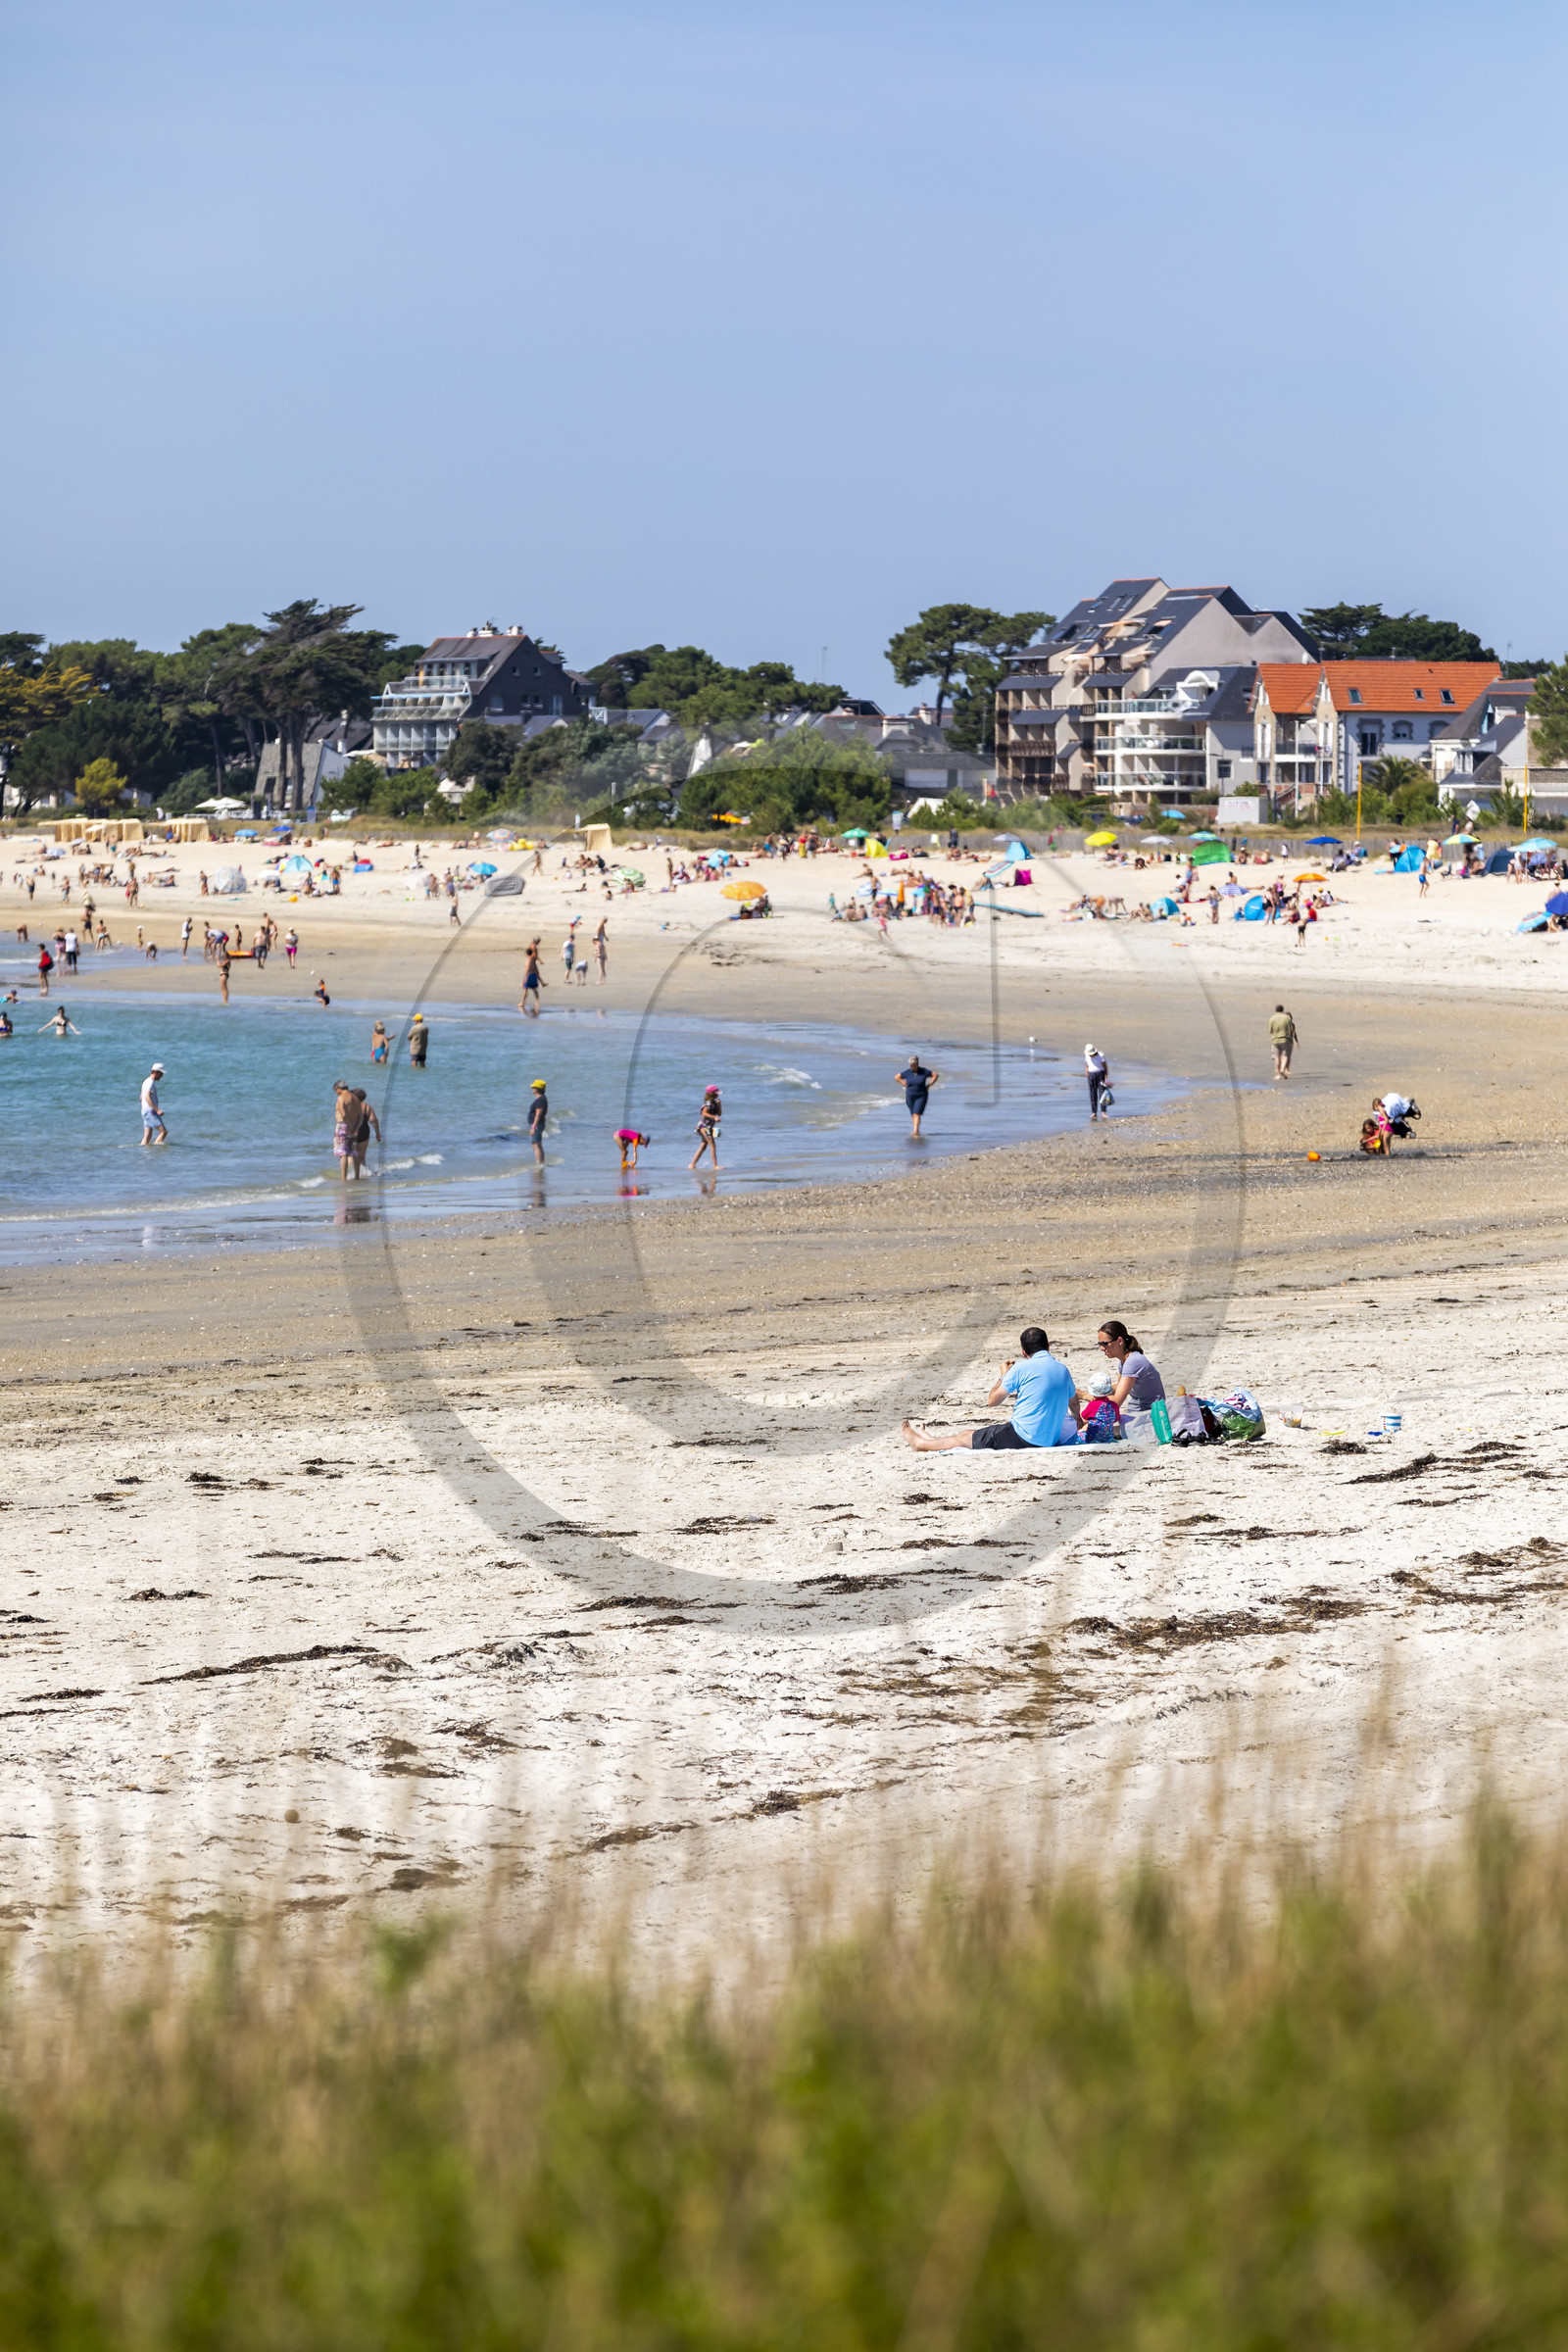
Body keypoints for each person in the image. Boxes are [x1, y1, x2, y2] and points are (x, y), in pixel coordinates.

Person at [902, 1326, 1082, 1452]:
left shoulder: (1020, 1368)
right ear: (1048, 1346)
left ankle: (919, 1444)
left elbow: (993, 1401)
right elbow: (1073, 1403)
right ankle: (930, 1441)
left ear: (1023, 1352)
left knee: (966, 1437)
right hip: (1049, 1439)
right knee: (968, 1437)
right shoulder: (1062, 1369)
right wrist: (1077, 1419)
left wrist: (1004, 1375)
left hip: (1024, 1437)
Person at [1095, 1320, 1165, 1433]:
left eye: (1105, 1343)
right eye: (1100, 1344)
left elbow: (1116, 1401)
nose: (1102, 1348)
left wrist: (1085, 1396)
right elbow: (1119, 1387)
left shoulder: (1133, 1362)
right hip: (1137, 1414)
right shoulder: (1124, 1360)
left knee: (1090, 1426)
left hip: (1148, 1418)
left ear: (1120, 1341)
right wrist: (1099, 1390)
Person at [896, 1053, 939, 1137]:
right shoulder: (908, 1072)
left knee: (916, 1113)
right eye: (911, 1065)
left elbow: (935, 1075)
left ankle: (916, 1131)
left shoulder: (924, 1071)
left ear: (917, 1064)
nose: (912, 1067)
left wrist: (929, 1085)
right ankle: (915, 1129)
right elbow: (897, 1077)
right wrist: (904, 1083)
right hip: (910, 1096)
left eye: (914, 1065)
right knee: (913, 1114)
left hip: (921, 1095)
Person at [690, 1085, 722, 1170]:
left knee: (703, 1145)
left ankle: (692, 1164)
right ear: (712, 1094)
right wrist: (714, 1117)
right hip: (704, 1127)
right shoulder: (707, 1104)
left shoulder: (715, 1103)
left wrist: (719, 1105)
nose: (718, 1095)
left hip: (709, 1127)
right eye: (716, 1093)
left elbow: (719, 1114)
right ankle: (715, 1165)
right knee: (712, 1144)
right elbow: (703, 1113)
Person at [350, 1088, 381, 1177]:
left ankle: (353, 1175)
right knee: (362, 1156)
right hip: (364, 1133)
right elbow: (374, 1121)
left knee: (352, 1155)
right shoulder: (367, 1107)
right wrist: (378, 1134)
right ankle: (364, 1174)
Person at [332, 1081, 358, 1182]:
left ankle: (344, 1178)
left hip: (343, 1125)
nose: (336, 1093)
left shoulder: (341, 1098)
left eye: (336, 1091)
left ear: (339, 1088)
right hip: (352, 1124)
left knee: (342, 1153)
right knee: (350, 1152)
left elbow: (343, 1114)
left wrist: (347, 1126)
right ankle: (355, 1174)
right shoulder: (354, 1098)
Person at [139, 1062, 167, 1146]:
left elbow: (141, 1097)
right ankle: (157, 1151)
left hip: (145, 1111)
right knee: (163, 1132)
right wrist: (156, 1109)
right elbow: (147, 1097)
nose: (161, 1076)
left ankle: (145, 1153)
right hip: (150, 1112)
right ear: (155, 1072)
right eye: (161, 1074)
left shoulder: (145, 1081)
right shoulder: (150, 1082)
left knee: (147, 1136)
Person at [1269, 1003, 1298, 1080]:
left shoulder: (1272, 1018)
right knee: (1285, 1056)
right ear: (1282, 1010)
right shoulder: (1287, 1018)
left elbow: (1270, 1030)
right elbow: (1291, 1030)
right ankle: (1282, 1069)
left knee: (1277, 1057)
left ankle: (1278, 1073)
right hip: (1286, 1040)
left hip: (1275, 1040)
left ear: (1276, 1010)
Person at [1085, 1042, 1110, 1120]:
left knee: (1102, 1093)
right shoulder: (1087, 1055)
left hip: (1100, 1074)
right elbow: (1087, 1065)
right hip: (1091, 1075)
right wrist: (1087, 1073)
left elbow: (1105, 1066)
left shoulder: (1101, 1055)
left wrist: (1106, 1076)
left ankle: (1103, 1112)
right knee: (1093, 1093)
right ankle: (1094, 1112)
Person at [527, 1077, 549, 1165]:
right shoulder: (542, 1098)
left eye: (533, 1087)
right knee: (538, 1144)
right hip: (539, 1124)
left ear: (536, 1089)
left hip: (536, 1125)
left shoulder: (540, 1100)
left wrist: (533, 1127)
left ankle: (538, 1163)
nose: (532, 1089)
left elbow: (538, 1114)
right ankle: (541, 1163)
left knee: (535, 1145)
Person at [520, 939, 544, 1015]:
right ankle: (536, 1002)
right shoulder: (532, 959)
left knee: (526, 990)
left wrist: (524, 978)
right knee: (533, 989)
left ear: (527, 954)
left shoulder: (529, 960)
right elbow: (535, 968)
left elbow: (527, 970)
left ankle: (523, 1002)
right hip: (533, 975)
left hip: (529, 975)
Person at [594, 918, 609, 983]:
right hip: (599, 937)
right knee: (600, 947)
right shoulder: (600, 924)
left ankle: (601, 981)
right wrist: (598, 938)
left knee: (601, 968)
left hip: (600, 937)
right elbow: (598, 931)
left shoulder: (602, 924)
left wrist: (605, 937)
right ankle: (603, 980)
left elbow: (603, 931)